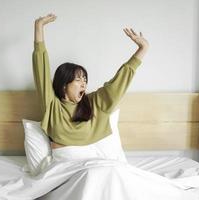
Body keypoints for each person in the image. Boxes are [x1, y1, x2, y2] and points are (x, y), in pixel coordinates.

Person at [33, 13, 148, 150]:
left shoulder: (94, 103)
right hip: (64, 167)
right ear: (64, 85)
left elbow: (118, 84)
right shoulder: (52, 106)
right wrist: (39, 27)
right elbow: (41, 71)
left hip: (96, 164)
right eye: (78, 79)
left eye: (85, 79)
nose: (84, 84)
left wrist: (142, 49)